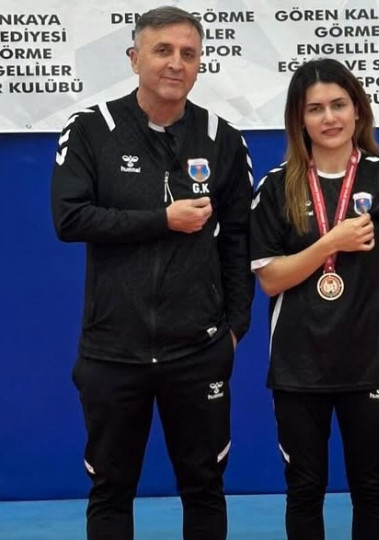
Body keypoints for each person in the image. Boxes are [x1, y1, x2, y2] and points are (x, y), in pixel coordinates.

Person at [50, 6, 253, 540]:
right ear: (134, 58)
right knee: (110, 491)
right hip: (112, 351)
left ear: (199, 63)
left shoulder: (222, 138)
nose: (175, 63)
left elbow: (239, 240)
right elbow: (69, 218)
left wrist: (235, 327)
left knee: (204, 487)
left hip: (198, 349)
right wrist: (162, 219)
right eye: (162, 50)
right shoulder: (92, 129)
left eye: (188, 53)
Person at [249, 58, 379, 540]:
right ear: (299, 118)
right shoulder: (276, 187)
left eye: (339, 105)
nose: (329, 118)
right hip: (299, 365)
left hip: (370, 360)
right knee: (304, 489)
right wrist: (330, 243)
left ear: (358, 110)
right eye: (315, 108)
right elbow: (271, 279)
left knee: (372, 487)